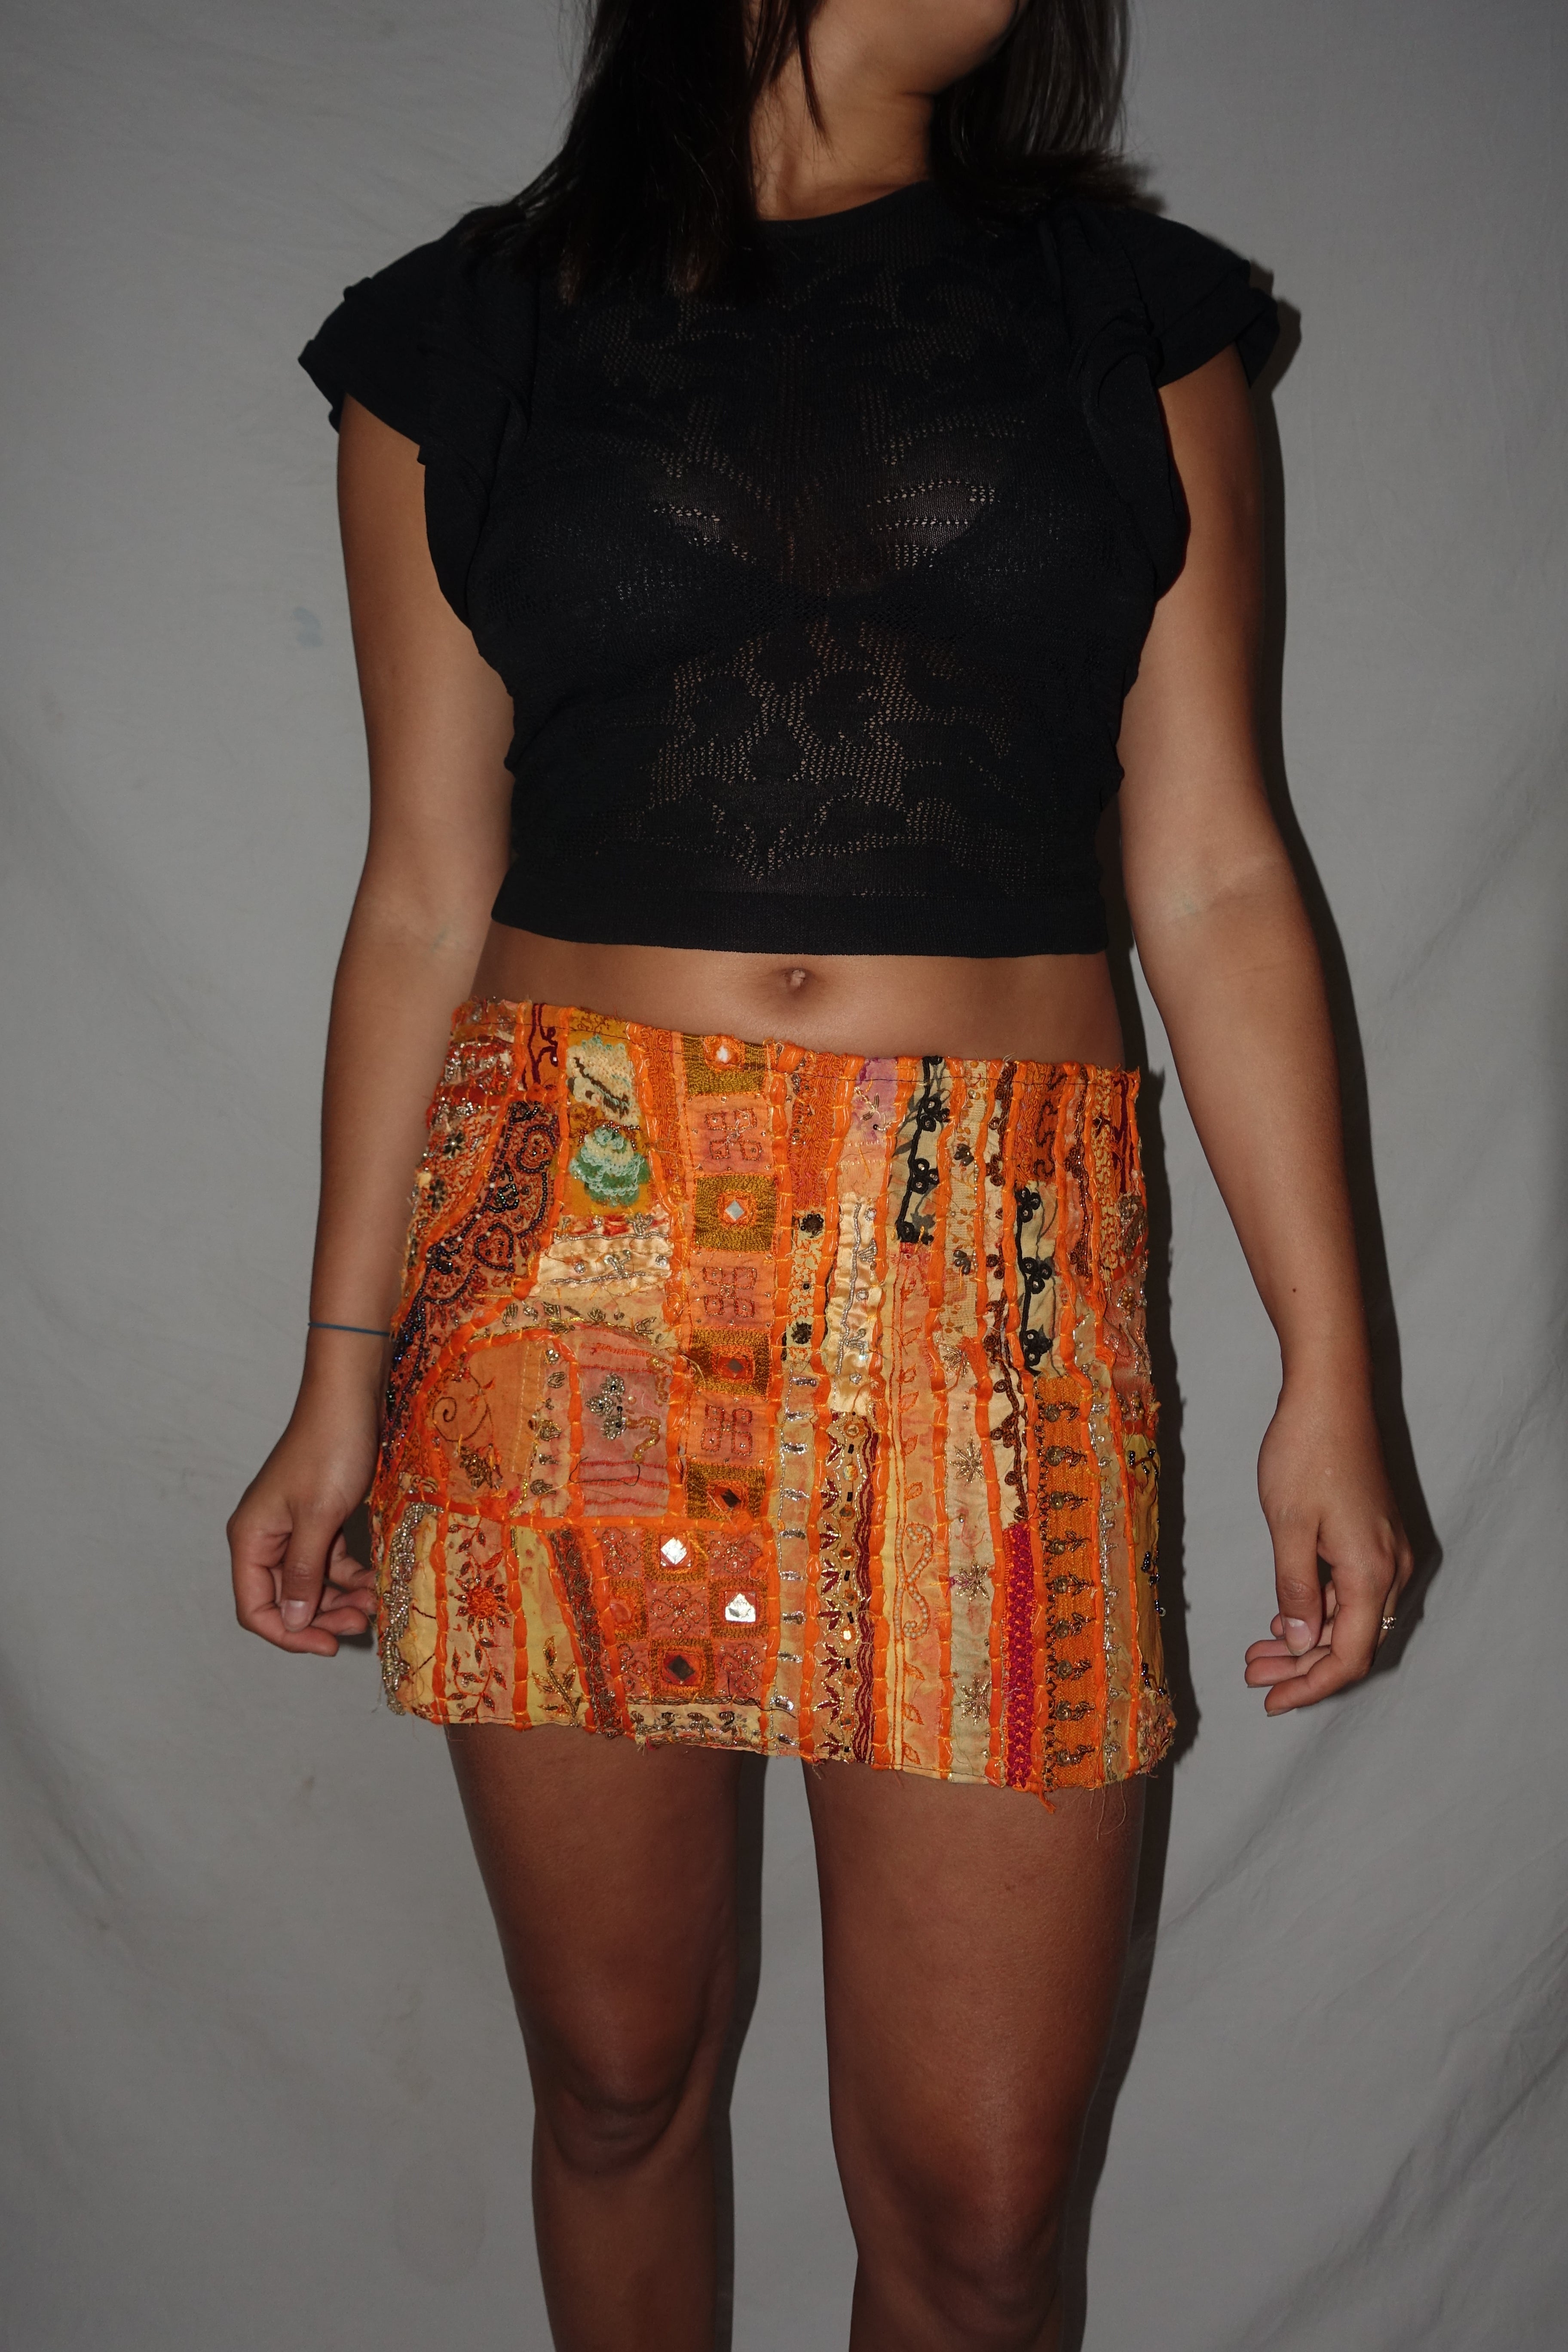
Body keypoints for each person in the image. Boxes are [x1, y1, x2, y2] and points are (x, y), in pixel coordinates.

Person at [228, 2, 1414, 2343]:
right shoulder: (468, 334)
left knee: (981, 2216)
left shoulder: (1125, 318)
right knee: (620, 2076)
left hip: (994, 1280)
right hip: (565, 1254)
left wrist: (1332, 1371)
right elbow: (421, 894)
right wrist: (338, 1370)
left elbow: (1213, 872)